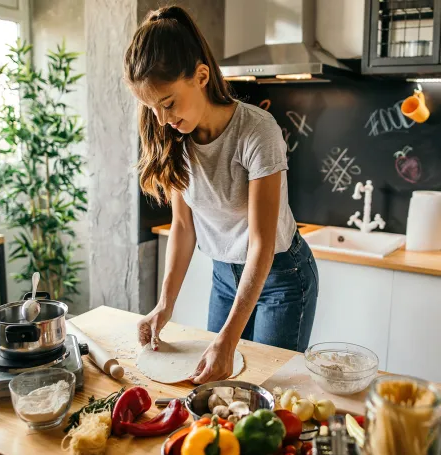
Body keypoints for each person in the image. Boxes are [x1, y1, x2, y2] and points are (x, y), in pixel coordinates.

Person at [125, 5, 319, 384]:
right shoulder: (175, 138)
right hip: (224, 276)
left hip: (281, 275)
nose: (162, 119)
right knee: (214, 385)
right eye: (152, 109)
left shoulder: (257, 131)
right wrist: (165, 305)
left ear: (201, 76)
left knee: (265, 387)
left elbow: (261, 245)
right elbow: (183, 226)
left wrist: (228, 340)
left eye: (167, 103)